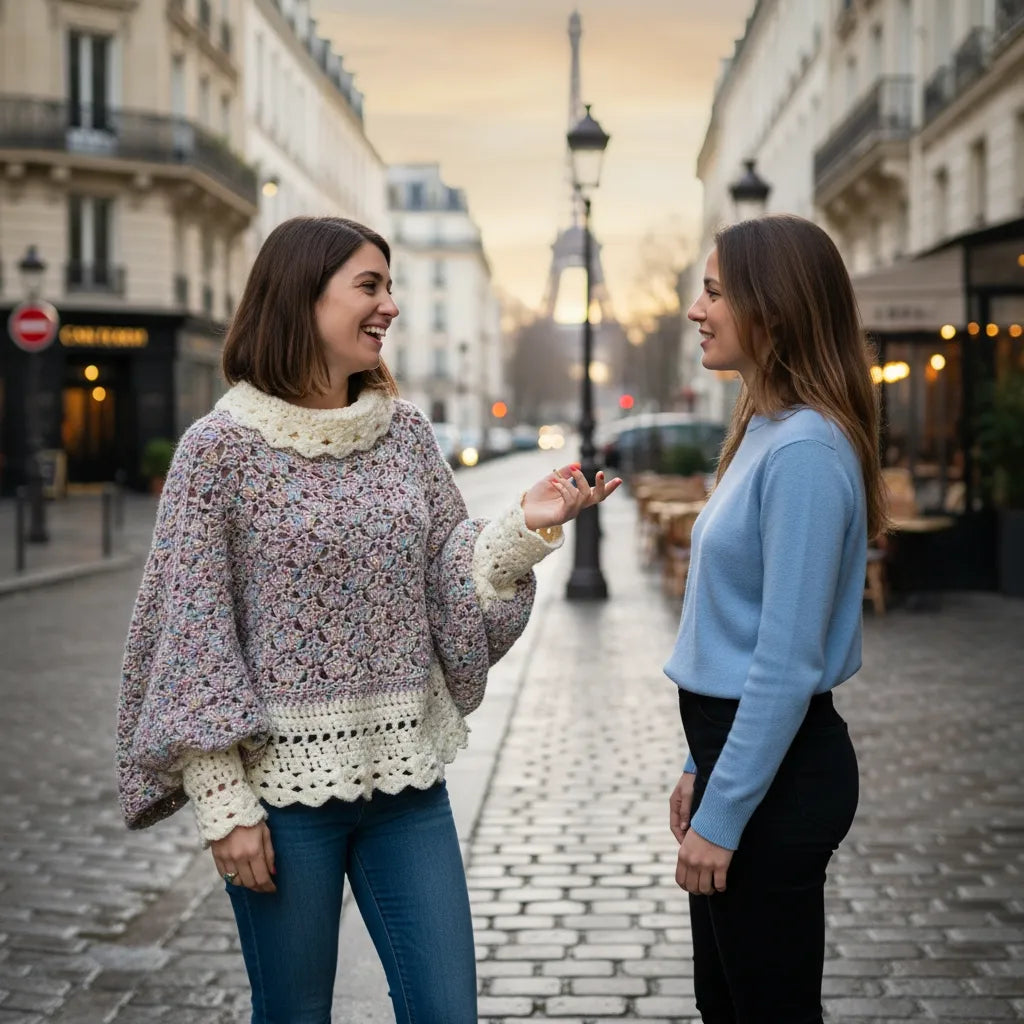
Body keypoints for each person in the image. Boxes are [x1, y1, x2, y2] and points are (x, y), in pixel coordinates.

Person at [116, 215, 621, 1024]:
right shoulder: (218, 451)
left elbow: (447, 576)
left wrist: (524, 525)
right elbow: (192, 635)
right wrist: (222, 803)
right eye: (370, 286)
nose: (390, 306)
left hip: (406, 784)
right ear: (300, 299)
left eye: (391, 287)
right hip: (280, 801)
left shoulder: (405, 434)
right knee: (294, 1015)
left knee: (447, 1011)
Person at [665, 214, 886, 1024]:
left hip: (779, 779)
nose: (697, 309)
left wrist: (723, 815)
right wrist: (701, 767)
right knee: (726, 1004)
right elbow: (736, 629)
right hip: (742, 761)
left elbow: (786, 663)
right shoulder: (765, 432)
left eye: (716, 291)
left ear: (776, 309)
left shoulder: (803, 453)